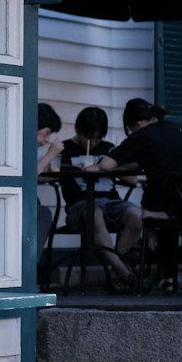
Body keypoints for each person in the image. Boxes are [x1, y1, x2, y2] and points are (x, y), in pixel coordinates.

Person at [96, 97, 182, 293]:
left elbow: (106, 165)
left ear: (137, 124)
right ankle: (169, 280)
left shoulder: (142, 136)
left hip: (161, 202)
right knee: (166, 218)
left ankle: (125, 270)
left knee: (146, 213)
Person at [59, 106, 142, 289]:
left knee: (137, 216)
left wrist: (107, 167)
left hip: (111, 201)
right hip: (79, 205)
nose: (94, 142)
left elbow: (132, 179)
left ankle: (116, 272)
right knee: (94, 213)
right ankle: (124, 272)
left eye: (98, 137)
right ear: (79, 130)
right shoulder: (65, 150)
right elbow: (51, 174)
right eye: (90, 137)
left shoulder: (108, 149)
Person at [36, 103, 64, 257]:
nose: (47, 140)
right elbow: (30, 175)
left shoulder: (35, 149)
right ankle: (31, 265)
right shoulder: (20, 145)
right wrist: (51, 154)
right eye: (46, 133)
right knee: (43, 214)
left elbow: (39, 175)